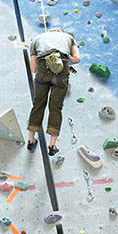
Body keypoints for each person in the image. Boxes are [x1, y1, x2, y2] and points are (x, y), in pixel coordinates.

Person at [27, 27, 81, 155]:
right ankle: (52, 145)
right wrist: (64, 58)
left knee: (38, 104)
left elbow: (33, 69)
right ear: (60, 32)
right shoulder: (69, 37)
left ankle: (30, 140)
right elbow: (77, 59)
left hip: (42, 68)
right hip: (61, 67)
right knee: (56, 107)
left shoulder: (37, 39)